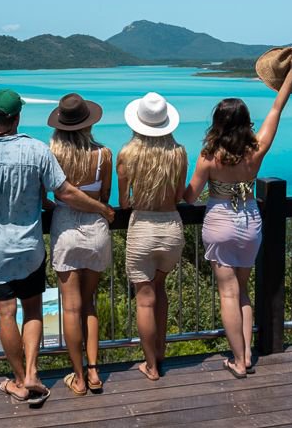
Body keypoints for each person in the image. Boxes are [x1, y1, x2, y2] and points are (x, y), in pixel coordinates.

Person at [0, 88, 114, 405]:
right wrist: (102, 209)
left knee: (5, 313)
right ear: (17, 118)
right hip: (29, 247)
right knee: (33, 310)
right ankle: (32, 373)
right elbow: (64, 192)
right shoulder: (36, 150)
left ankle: (18, 381)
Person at [183, 46, 292, 378]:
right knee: (242, 291)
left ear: (217, 124)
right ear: (244, 123)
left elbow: (190, 195)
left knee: (227, 293)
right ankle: (245, 358)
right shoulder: (255, 150)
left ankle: (238, 360)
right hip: (250, 223)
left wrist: (172, 189)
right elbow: (276, 108)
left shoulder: (208, 156)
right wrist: (290, 76)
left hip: (220, 223)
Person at [117, 92, 187, 381]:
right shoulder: (179, 153)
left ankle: (151, 365)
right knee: (161, 290)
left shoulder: (127, 154)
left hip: (142, 227)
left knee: (144, 299)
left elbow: (123, 202)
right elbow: (181, 195)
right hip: (171, 227)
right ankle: (161, 353)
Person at [47, 93, 113, 396]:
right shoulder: (104, 155)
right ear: (88, 123)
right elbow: (104, 198)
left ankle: (78, 376)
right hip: (96, 230)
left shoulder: (51, 155)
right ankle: (94, 371)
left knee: (70, 308)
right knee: (89, 303)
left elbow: (45, 195)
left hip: (65, 229)